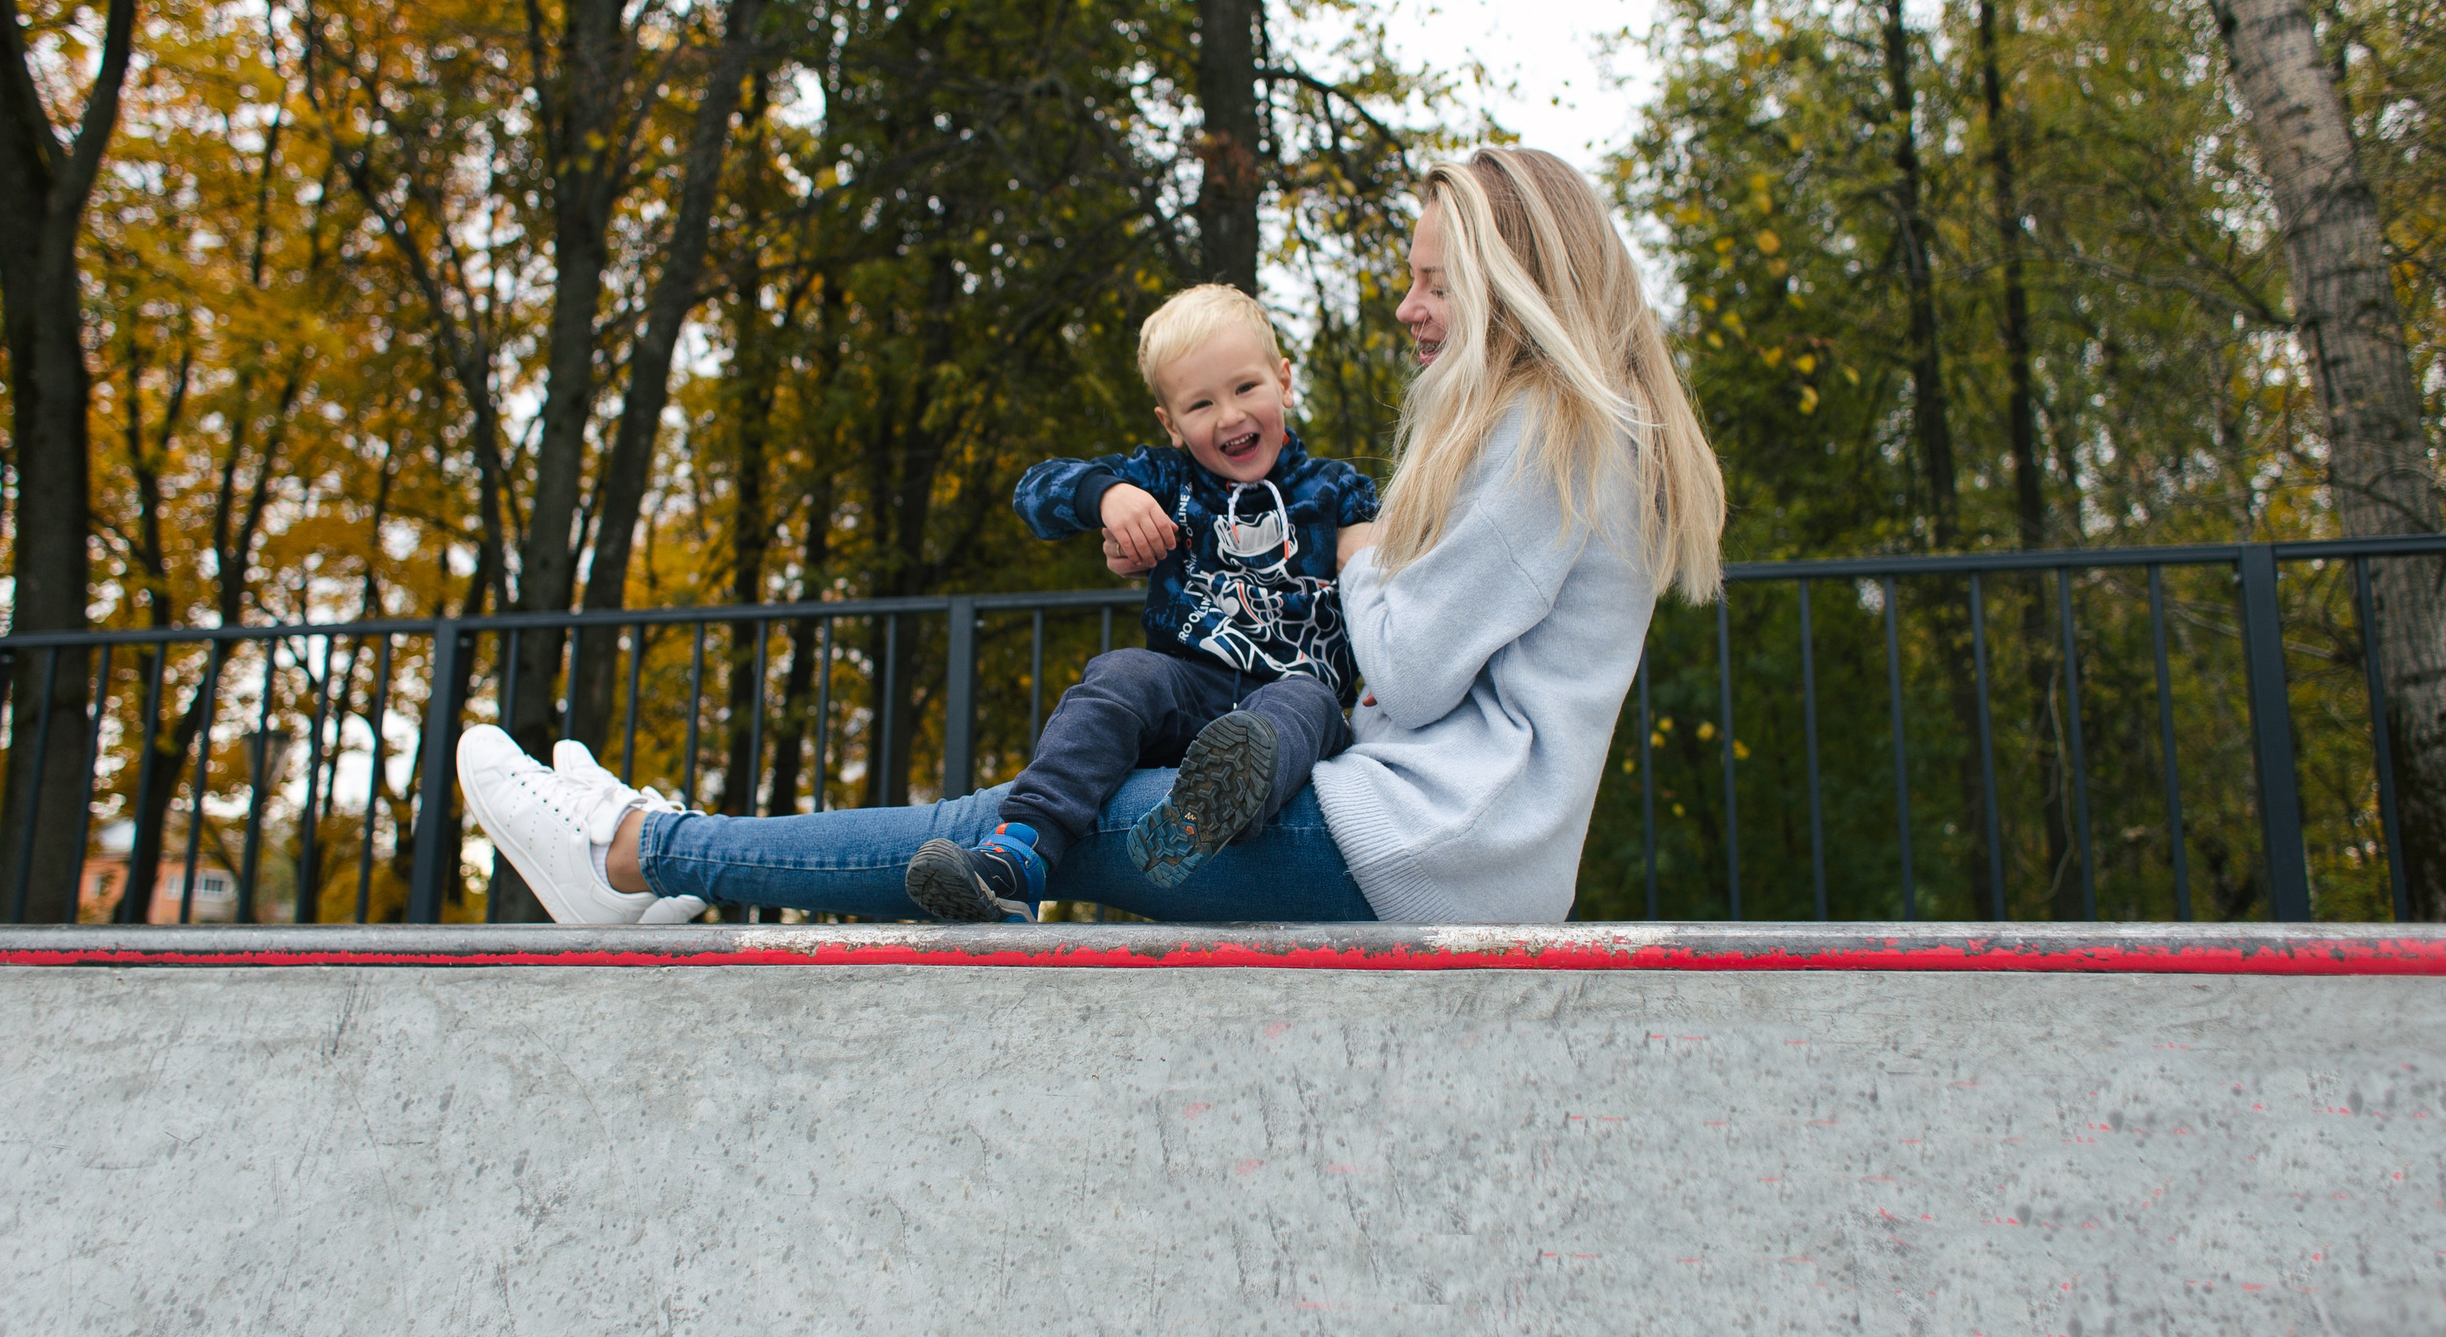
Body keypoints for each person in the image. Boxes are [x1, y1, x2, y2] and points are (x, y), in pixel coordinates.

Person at [459, 146, 1723, 926]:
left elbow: (1417, 661)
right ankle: (665, 853)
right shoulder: (1574, 435)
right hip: (1436, 840)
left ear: (1511, 277)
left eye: (1435, 280)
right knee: (1055, 811)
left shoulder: (1555, 434)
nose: (1408, 306)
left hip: (1410, 843)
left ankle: (637, 851)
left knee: (1031, 818)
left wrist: (1365, 553)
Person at [904, 283, 1380, 923]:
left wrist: (1371, 570)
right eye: (1201, 404)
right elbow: (1035, 490)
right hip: (1188, 687)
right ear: (1171, 425)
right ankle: (1017, 856)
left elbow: (1391, 583)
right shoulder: (1165, 481)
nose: (1230, 416)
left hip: (1292, 695)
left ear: (1285, 382)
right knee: (1123, 672)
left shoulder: (1337, 490)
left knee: (1305, 704)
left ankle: (1213, 809)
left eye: (1246, 388)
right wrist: (1107, 496)